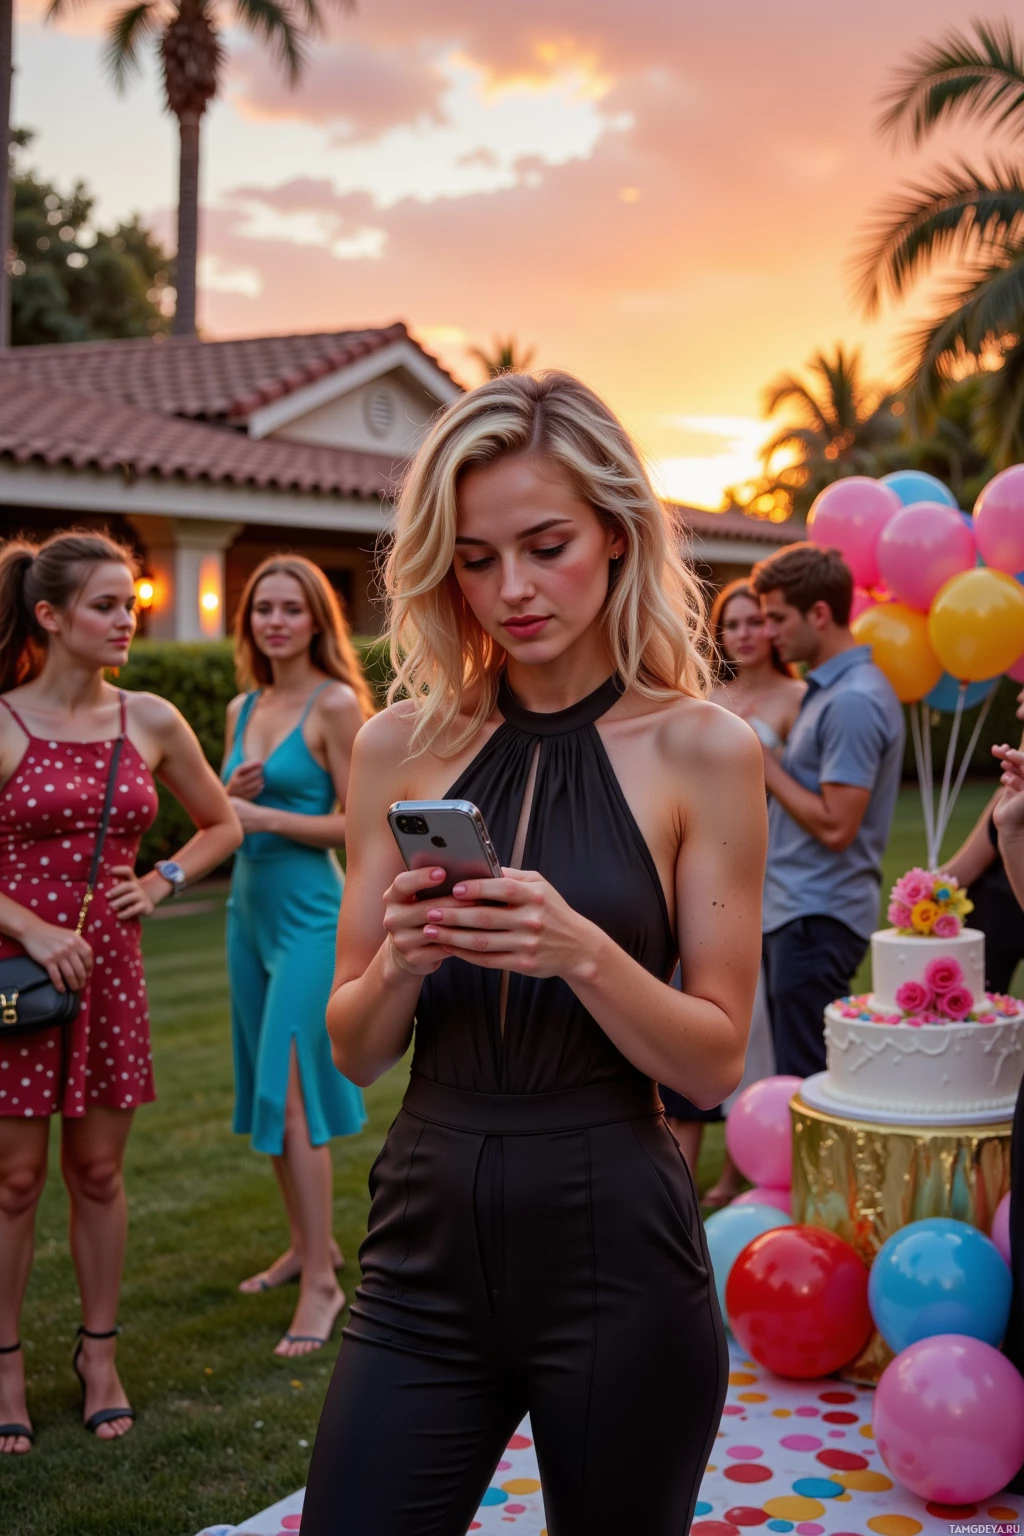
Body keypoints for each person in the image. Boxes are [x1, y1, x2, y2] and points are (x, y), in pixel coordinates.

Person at [300, 370, 767, 1535]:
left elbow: (713, 1063)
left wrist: (578, 950)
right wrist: (401, 959)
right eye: (474, 559)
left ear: (614, 534)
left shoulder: (704, 750)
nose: (511, 588)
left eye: (544, 546)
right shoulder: (398, 746)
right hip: (422, 1248)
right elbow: (353, 1051)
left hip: (618, 1255)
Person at [0, 530, 240, 1456]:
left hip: (112, 972)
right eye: (106, 606)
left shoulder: (152, 718)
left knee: (98, 1173)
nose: (126, 620)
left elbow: (220, 825)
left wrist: (164, 880)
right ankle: (5, 1366)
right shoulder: (4, 721)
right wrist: (31, 928)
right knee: (14, 1180)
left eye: (130, 602)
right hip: (17, 973)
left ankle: (98, 1358)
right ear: (49, 616)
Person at [222, 555, 371, 1358]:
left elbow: (362, 824)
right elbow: (225, 815)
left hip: (312, 914)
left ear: (317, 619)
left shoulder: (335, 703)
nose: (274, 621)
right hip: (246, 913)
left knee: (294, 1096)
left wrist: (265, 817)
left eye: (290, 608)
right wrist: (231, 800)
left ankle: (322, 1283)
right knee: (266, 1093)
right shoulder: (242, 706)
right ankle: (307, 1246)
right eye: (263, 609)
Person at [661, 581, 805, 1203]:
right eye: (733, 624)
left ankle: (740, 1166)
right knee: (686, 1002)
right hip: (699, 867)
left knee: (753, 1023)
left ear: (772, 629)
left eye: (755, 622)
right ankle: (682, 1168)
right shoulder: (707, 699)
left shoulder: (798, 700)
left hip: (769, 870)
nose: (744, 634)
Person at [750, 543, 905, 1080]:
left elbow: (838, 826)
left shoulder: (852, 700)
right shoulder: (828, 690)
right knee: (797, 1074)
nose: (768, 632)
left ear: (819, 613)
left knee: (808, 1080)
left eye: (777, 618)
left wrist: (763, 763)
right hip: (799, 912)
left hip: (816, 918)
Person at [943, 689, 1024, 994]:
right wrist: (921, 888)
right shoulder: (1009, 794)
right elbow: (960, 871)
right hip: (990, 939)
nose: (1019, 693)